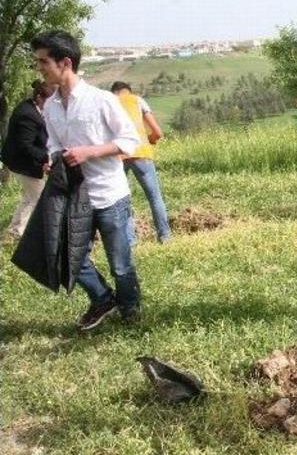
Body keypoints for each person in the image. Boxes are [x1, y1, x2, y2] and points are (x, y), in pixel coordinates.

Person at [31, 30, 142, 330]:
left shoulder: (101, 100)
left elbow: (129, 140)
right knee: (66, 253)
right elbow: (54, 142)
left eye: (43, 61)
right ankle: (103, 298)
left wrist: (88, 152)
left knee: (120, 263)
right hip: (74, 195)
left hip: (109, 195)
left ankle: (131, 313)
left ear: (65, 63)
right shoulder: (51, 106)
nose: (39, 67)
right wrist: (52, 157)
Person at [110, 81, 171, 244]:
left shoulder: (109, 102)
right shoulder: (137, 100)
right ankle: (164, 236)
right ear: (128, 91)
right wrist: (149, 140)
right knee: (154, 197)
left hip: (118, 155)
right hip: (141, 153)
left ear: (114, 92)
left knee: (123, 199)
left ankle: (131, 240)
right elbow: (157, 133)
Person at [1, 80, 55, 238]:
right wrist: (47, 158)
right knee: (41, 198)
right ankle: (42, 235)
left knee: (29, 197)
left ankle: (15, 231)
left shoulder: (32, 108)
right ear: (39, 97)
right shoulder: (28, 114)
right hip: (22, 163)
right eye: (49, 101)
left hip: (25, 162)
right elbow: (25, 145)